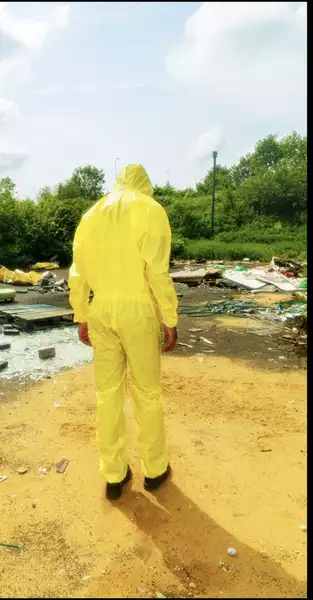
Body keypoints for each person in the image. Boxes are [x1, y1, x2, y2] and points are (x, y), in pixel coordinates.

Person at [69, 164, 179, 501]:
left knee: (108, 393)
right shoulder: (150, 209)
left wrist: (82, 314)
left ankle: (114, 476)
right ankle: (155, 471)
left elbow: (77, 271)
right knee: (146, 393)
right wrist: (170, 317)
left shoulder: (91, 215)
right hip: (138, 310)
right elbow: (157, 272)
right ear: (144, 185)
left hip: (101, 310)